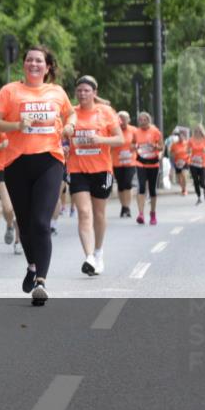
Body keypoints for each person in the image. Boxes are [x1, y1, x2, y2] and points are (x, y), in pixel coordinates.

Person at [0, 45, 76, 305]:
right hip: (16, 162)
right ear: (24, 65)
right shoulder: (9, 91)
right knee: (24, 224)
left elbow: (69, 112)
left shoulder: (57, 92)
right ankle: (32, 266)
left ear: (47, 67)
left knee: (40, 222)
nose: (34, 64)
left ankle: (42, 282)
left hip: (50, 160)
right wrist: (16, 125)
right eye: (29, 60)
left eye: (39, 61)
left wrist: (70, 125)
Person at [66, 76, 124, 276]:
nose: (82, 94)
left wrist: (100, 139)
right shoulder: (71, 113)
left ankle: (99, 252)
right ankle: (89, 256)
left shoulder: (106, 112)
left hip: (101, 170)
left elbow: (120, 139)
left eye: (86, 91)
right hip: (77, 169)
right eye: (79, 90)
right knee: (84, 212)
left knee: (99, 214)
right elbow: (63, 137)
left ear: (94, 93)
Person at [0, 131, 21, 254]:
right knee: (8, 208)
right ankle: (9, 225)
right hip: (3, 167)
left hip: (21, 167)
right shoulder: (0, 123)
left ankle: (18, 242)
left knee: (19, 209)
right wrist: (1, 145)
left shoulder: (24, 121)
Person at [133, 111, 164, 225]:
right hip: (140, 162)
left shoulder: (155, 132)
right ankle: (141, 214)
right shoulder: (136, 132)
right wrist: (135, 147)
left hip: (153, 163)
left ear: (148, 120)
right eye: (140, 120)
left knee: (152, 189)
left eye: (144, 120)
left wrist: (154, 146)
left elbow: (161, 147)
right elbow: (132, 144)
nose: (142, 122)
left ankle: (152, 213)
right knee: (141, 187)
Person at [111, 110, 138, 218]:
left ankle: (127, 207)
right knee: (121, 186)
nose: (122, 121)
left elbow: (138, 142)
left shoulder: (134, 130)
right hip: (117, 162)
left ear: (129, 120)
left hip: (130, 162)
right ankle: (123, 206)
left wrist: (135, 146)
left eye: (124, 118)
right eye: (120, 118)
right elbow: (109, 145)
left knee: (128, 183)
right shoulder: (114, 131)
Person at [188, 124, 205, 204]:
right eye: (196, 131)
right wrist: (189, 151)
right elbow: (187, 150)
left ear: (201, 131)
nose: (197, 132)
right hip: (193, 163)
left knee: (202, 182)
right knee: (195, 181)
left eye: (199, 130)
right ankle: (199, 197)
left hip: (203, 163)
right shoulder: (191, 140)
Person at [168, 128, 190, 196]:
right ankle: (183, 188)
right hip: (177, 162)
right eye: (180, 136)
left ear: (184, 137)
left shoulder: (187, 143)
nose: (181, 138)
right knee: (179, 179)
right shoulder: (174, 144)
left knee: (184, 175)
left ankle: (185, 189)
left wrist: (188, 155)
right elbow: (171, 153)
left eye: (182, 136)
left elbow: (191, 152)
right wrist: (174, 155)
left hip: (186, 161)